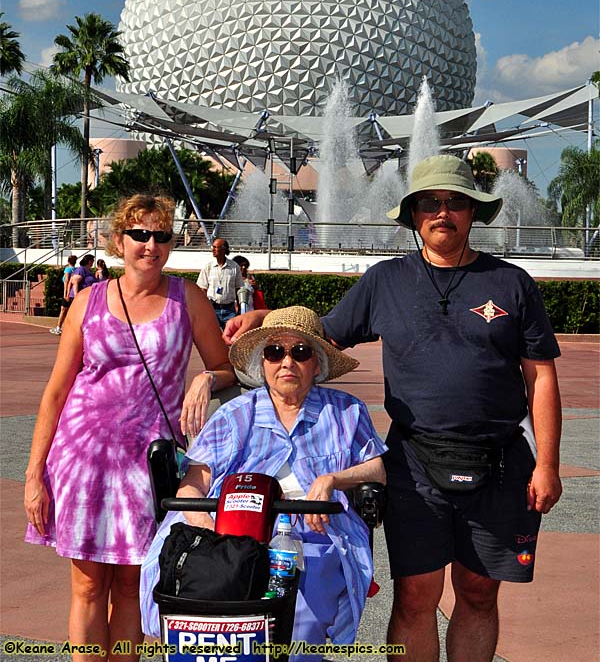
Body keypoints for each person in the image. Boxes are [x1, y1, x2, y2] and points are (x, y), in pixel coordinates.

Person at [224, 155, 563, 662]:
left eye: (456, 202)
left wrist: (548, 463)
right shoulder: (386, 281)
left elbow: (540, 377)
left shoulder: (511, 284)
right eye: (430, 202)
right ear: (412, 214)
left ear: (474, 212)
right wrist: (263, 319)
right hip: (415, 463)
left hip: (498, 464)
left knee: (478, 593)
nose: (442, 212)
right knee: (415, 596)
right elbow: (319, 333)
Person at [25, 194, 236, 662]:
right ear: (119, 241)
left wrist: (204, 377)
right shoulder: (88, 301)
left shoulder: (189, 299)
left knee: (131, 584)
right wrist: (34, 474)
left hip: (148, 463)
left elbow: (227, 368)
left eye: (162, 235)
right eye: (140, 234)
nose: (151, 245)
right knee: (86, 584)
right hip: (82, 460)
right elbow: (56, 392)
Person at [140, 306, 387, 659]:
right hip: (230, 530)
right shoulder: (235, 414)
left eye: (300, 352)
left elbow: (376, 469)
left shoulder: (345, 411)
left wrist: (332, 479)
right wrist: (210, 530)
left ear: (316, 364)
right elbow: (193, 484)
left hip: (314, 532)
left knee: (299, 620)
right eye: (275, 352)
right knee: (203, 598)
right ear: (262, 363)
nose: (287, 362)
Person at [197, 237, 243, 328]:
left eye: (215, 247)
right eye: (212, 247)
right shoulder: (208, 266)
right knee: (213, 338)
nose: (213, 250)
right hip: (212, 309)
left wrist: (239, 307)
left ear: (223, 249)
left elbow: (239, 288)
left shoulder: (234, 267)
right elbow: (202, 289)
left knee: (230, 338)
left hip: (230, 310)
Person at [49, 254, 78, 335]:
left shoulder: (68, 269)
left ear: (68, 261)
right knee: (70, 311)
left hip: (69, 293)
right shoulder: (76, 270)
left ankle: (58, 328)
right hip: (74, 293)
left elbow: (66, 281)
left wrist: (65, 293)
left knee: (63, 310)